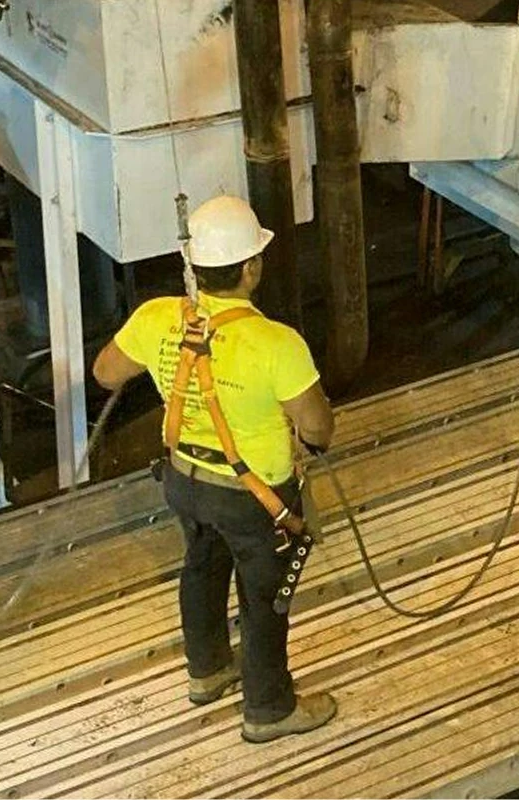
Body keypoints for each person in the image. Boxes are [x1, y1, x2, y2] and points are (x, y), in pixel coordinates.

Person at [92, 195, 339, 743]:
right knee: (263, 596)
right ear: (251, 268)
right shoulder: (277, 344)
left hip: (183, 482)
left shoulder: (159, 317)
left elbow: (106, 373)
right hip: (257, 498)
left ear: (194, 266)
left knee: (202, 565)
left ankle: (207, 671)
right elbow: (319, 427)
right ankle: (269, 711)